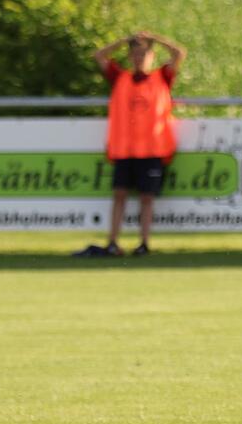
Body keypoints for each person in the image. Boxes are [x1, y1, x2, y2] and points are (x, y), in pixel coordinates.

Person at [74, 30, 187, 257]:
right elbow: (99, 56)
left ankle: (144, 243)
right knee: (119, 195)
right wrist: (123, 40)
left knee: (147, 198)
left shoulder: (162, 76)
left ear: (151, 56)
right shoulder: (120, 77)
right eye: (135, 54)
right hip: (125, 150)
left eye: (143, 54)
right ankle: (113, 242)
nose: (139, 59)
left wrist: (156, 37)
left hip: (152, 149)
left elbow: (179, 53)